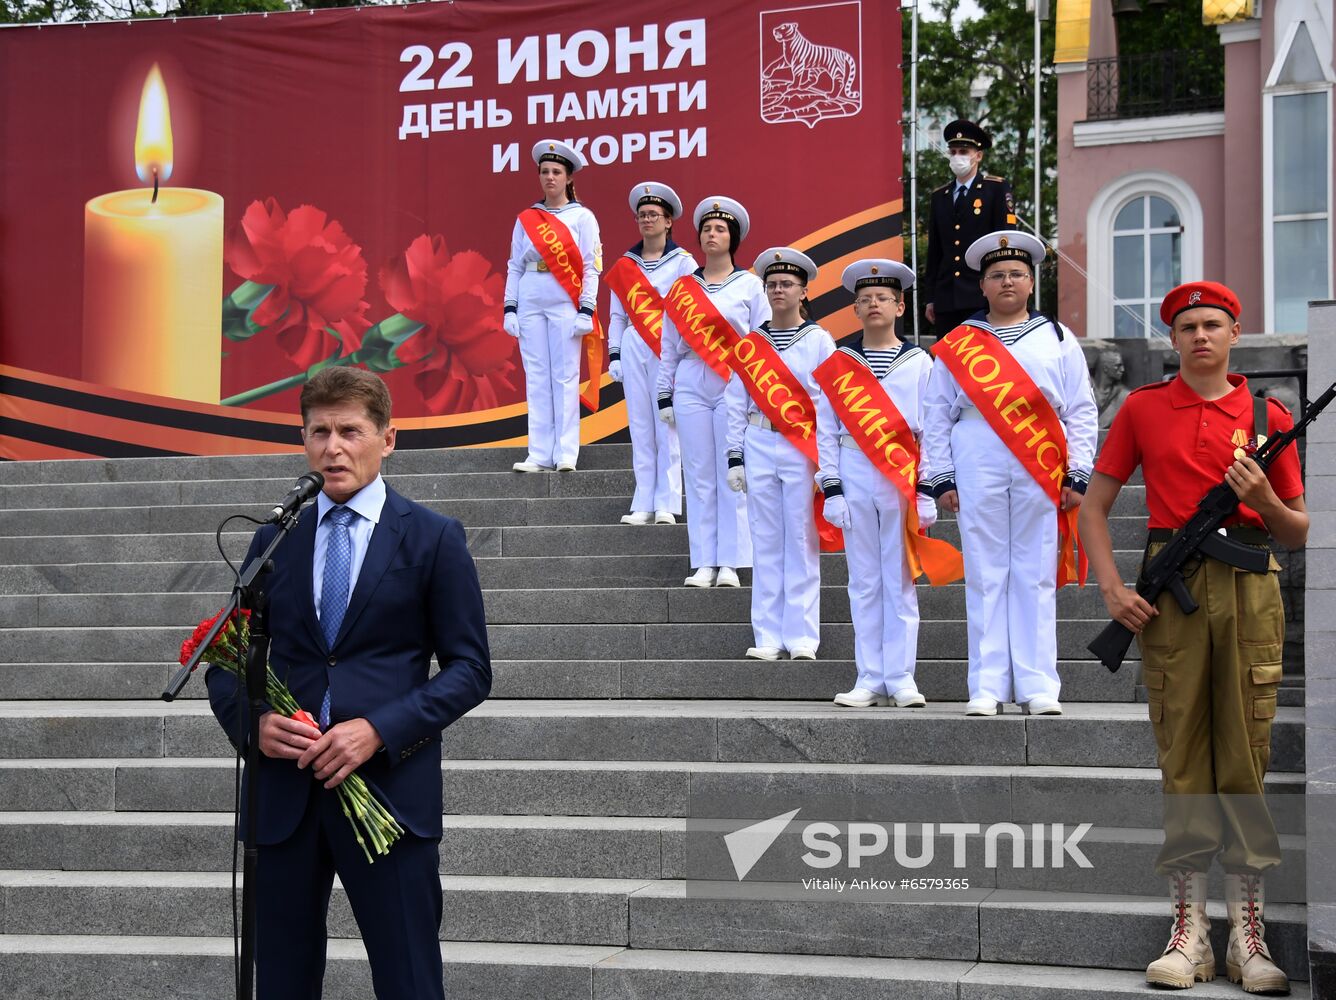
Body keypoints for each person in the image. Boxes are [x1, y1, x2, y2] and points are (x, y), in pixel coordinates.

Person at [205, 366, 491, 1000]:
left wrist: (379, 730)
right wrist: (253, 723)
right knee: (279, 981)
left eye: (350, 431)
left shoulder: (432, 537)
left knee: (409, 979)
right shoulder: (274, 537)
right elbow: (225, 659)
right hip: (284, 799)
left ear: (388, 439)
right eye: (319, 432)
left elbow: (471, 670)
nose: (333, 447)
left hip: (387, 797)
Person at [1079, 281, 1307, 995]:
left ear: (1236, 333)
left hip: (1249, 592)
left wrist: (1262, 496)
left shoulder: (1268, 415)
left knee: (1246, 754)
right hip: (1170, 593)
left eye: (1213, 324)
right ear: (1172, 340)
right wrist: (1115, 591)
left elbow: (1297, 528)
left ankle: (1248, 934)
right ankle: (1190, 932)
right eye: (1187, 327)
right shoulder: (1145, 408)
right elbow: (1094, 505)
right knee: (1184, 757)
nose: (1200, 336)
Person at [920, 231, 1097, 716]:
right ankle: (987, 685)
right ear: (982, 285)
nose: (1007, 281)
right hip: (976, 447)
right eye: (996, 275)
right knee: (985, 570)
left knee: (1035, 572)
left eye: (1016, 273)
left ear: (1031, 281)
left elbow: (1081, 409)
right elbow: (936, 413)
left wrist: (1079, 472)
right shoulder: (959, 343)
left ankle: (1039, 686)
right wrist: (942, 477)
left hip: (1041, 454)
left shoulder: (1059, 338)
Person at [815, 259, 937, 704]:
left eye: (882, 298)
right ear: (855, 309)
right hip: (853, 467)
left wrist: (926, 489)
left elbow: (932, 430)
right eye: (864, 299)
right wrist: (831, 486)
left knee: (900, 579)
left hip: (901, 475)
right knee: (863, 579)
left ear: (899, 305)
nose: (873, 305)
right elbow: (825, 428)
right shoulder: (839, 362)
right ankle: (868, 677)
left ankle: (902, 678)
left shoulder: (920, 362)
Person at [724, 247, 835, 658]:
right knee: (765, 539)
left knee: (802, 538)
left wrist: (826, 460)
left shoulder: (820, 340)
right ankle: (768, 636)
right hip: (758, 439)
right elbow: (736, 400)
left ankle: (803, 636)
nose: (778, 291)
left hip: (800, 445)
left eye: (787, 284)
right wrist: (734, 455)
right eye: (771, 284)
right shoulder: (751, 344)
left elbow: (828, 404)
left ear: (804, 291)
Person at [657, 196, 765, 587]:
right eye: (706, 229)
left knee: (730, 470)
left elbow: (761, 343)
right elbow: (668, 345)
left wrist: (756, 393)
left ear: (733, 237)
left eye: (720, 229)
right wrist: (663, 392)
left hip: (733, 381)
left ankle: (732, 563)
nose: (712, 234)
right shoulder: (683, 287)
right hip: (690, 380)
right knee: (699, 473)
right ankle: (704, 561)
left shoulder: (751, 285)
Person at [504, 139, 602, 473]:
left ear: (568, 178)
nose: (550, 177)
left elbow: (590, 266)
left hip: (564, 296)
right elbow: (514, 265)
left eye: (556, 172)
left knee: (564, 375)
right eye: (544, 171)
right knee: (536, 377)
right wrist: (510, 307)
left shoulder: (582, 217)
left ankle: (567, 451)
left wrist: (587, 308)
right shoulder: (527, 218)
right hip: (531, 290)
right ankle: (539, 453)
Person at [605, 182, 693, 525]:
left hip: (666, 347)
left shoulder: (683, 263)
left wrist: (682, 355)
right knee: (640, 425)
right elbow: (616, 314)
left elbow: (688, 312)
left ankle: (667, 503)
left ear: (668, 221)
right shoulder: (625, 264)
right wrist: (614, 353)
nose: (647, 220)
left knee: (666, 424)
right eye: (642, 215)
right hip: (633, 344)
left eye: (654, 214)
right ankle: (643, 500)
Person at [924, 120, 1016, 338]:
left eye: (964, 151)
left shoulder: (995, 189)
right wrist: (931, 297)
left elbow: (1004, 243)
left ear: (978, 156)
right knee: (947, 364)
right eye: (953, 151)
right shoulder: (940, 196)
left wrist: (1000, 289)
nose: (958, 157)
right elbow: (935, 251)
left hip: (981, 295)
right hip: (947, 297)